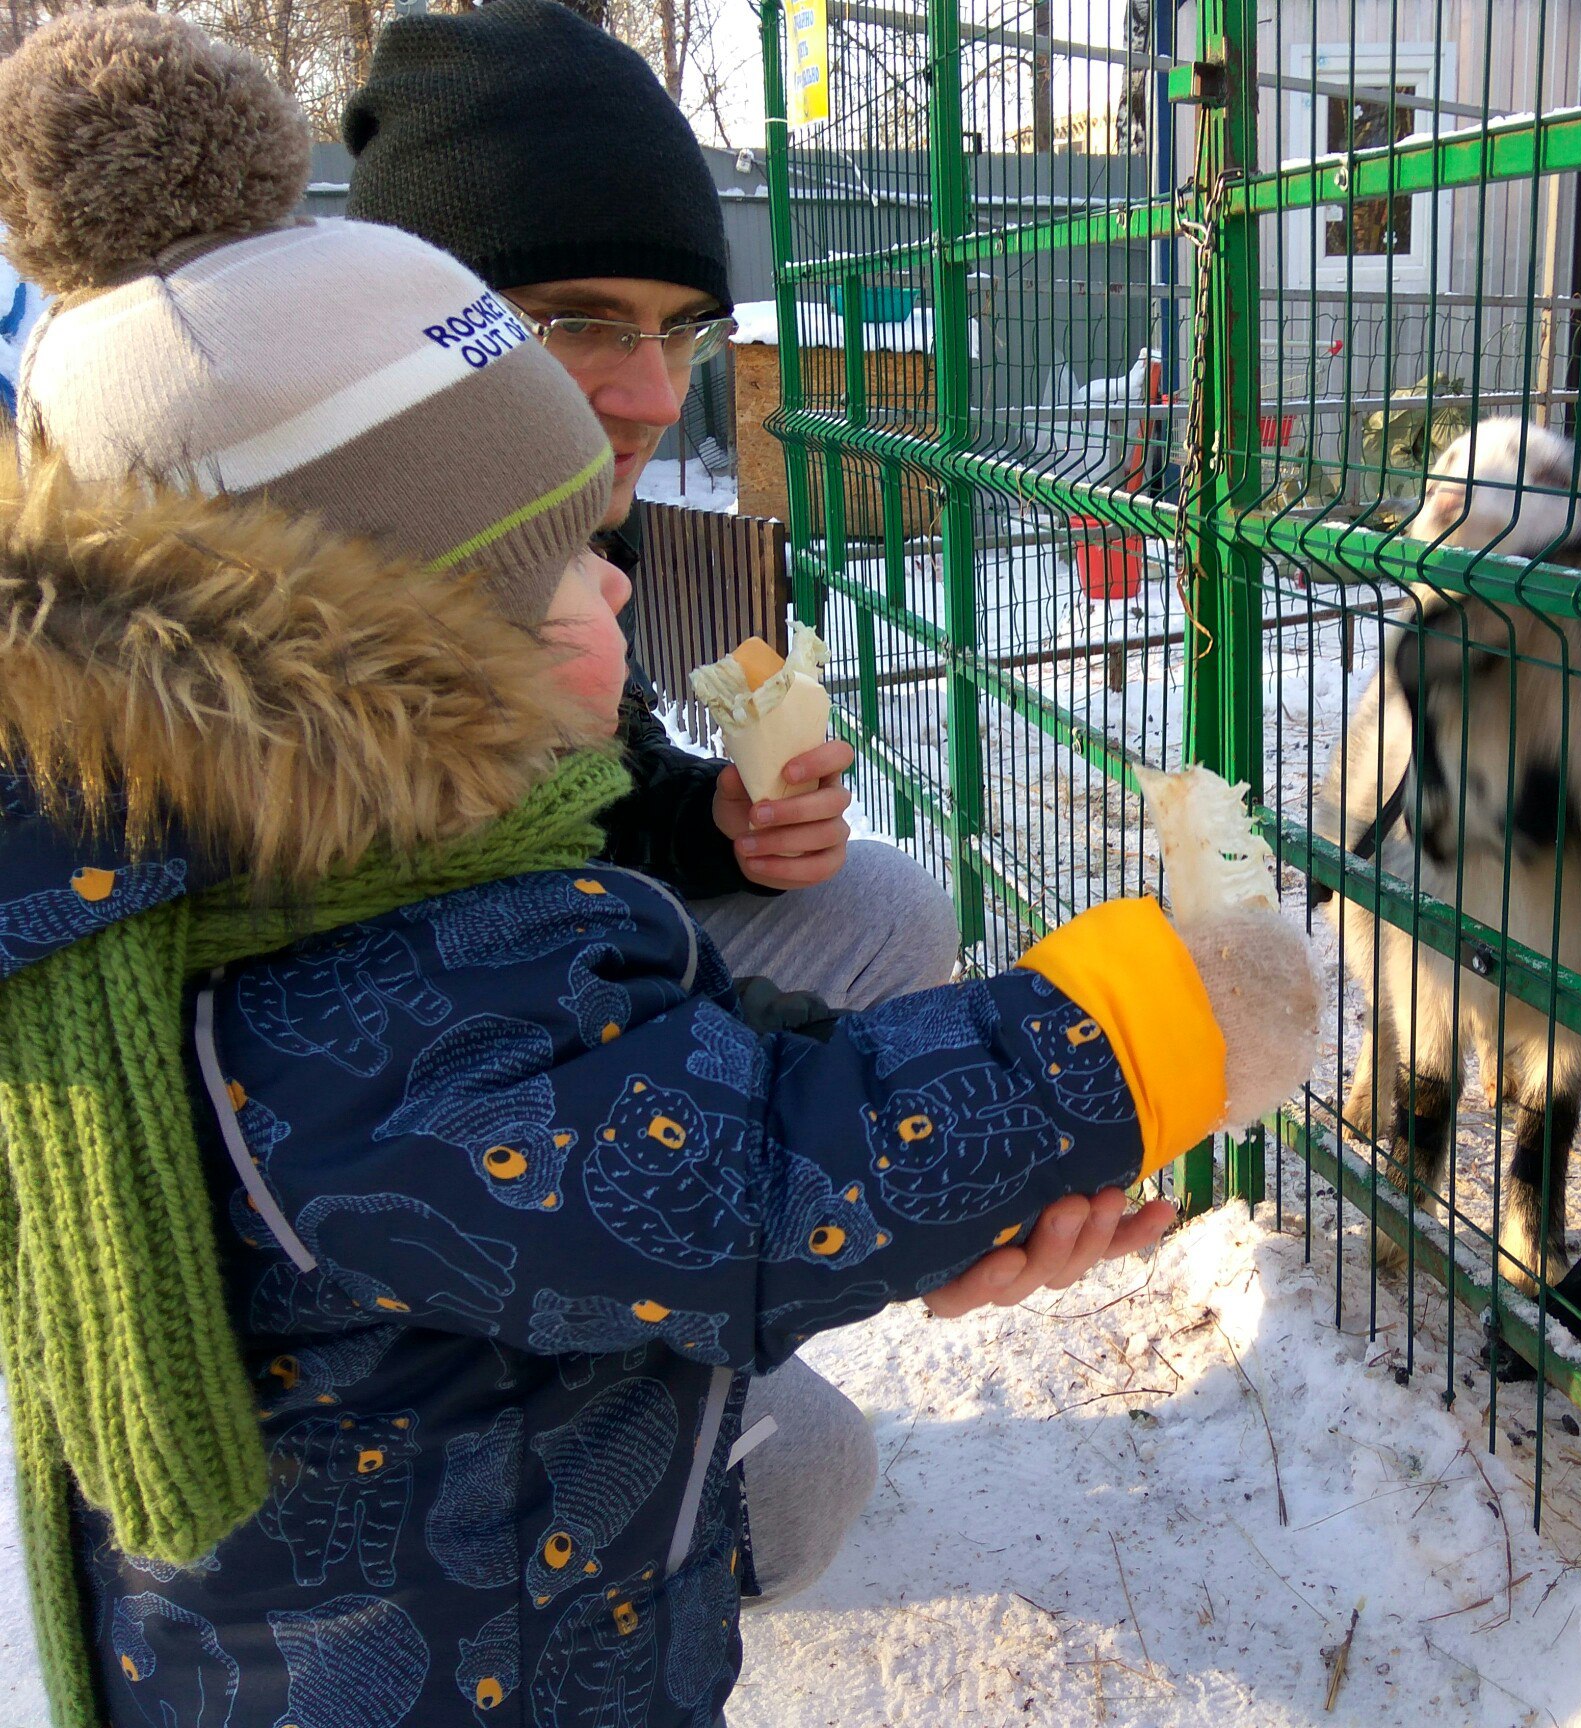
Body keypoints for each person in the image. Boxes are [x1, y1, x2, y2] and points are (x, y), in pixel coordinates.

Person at [0, 12, 1318, 1727]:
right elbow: (743, 1178)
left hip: (465, 1555)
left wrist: (720, 861)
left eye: (684, 333)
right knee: (773, 1383)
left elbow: (633, 1050)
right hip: (463, 1662)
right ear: (385, 660)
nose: (619, 571)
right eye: (576, 331)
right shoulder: (368, 1017)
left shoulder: (275, 838)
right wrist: (1137, 1033)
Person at [334, 0, 1164, 1605]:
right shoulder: (327, 633)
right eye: (578, 320)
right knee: (798, 1487)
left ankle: (674, 1349)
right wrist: (916, 1161)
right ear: (416, 331)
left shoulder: (544, 530)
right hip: (358, 1274)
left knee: (889, 903)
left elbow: (570, 841)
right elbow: (484, 1059)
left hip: (492, 1097)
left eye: (681, 331)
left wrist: (698, 818)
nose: (652, 396)